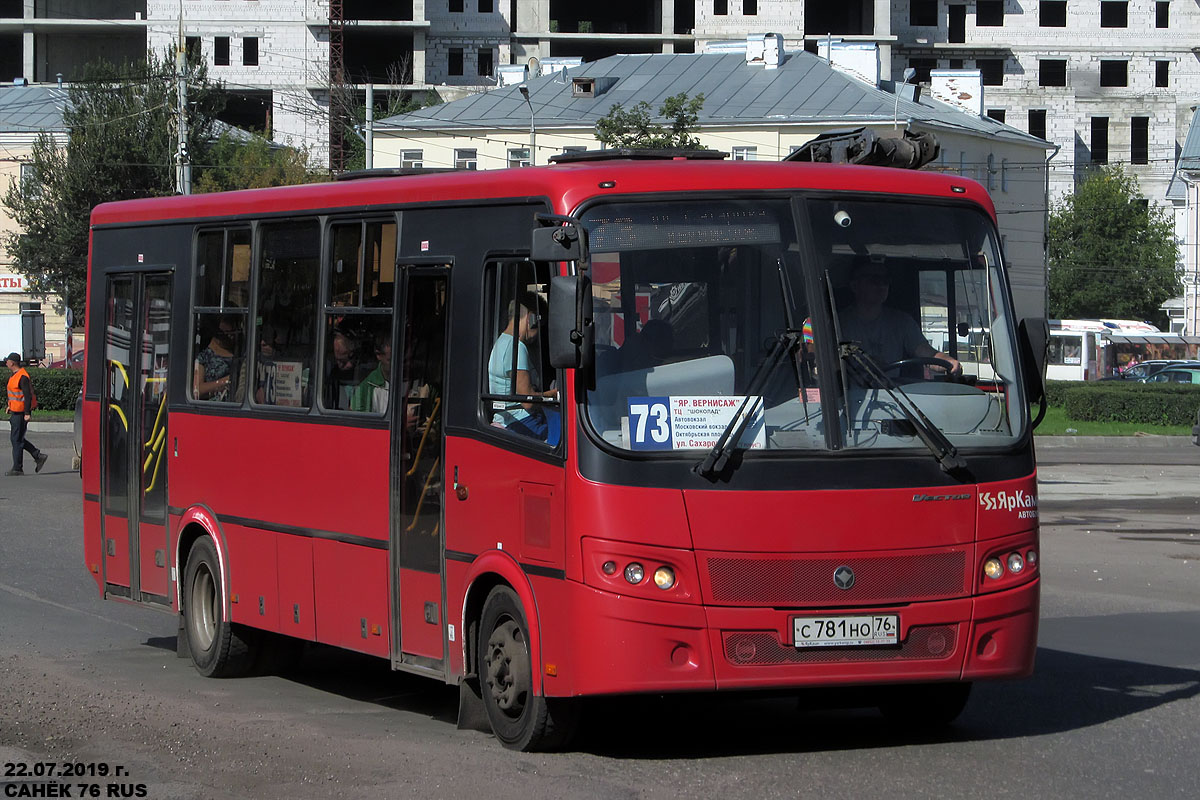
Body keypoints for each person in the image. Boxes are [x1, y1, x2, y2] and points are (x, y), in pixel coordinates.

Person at [838, 259, 961, 375]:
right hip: (851, 395)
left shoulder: (902, 322)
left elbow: (927, 353)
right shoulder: (838, 323)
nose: (881, 285)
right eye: (874, 280)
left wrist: (948, 362)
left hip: (893, 393)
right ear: (855, 286)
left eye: (885, 281)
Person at [488, 301, 559, 443]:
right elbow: (528, 401)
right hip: (522, 421)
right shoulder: (517, 347)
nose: (538, 333)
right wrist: (555, 394)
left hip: (506, 418)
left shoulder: (501, 342)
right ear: (531, 319)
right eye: (539, 325)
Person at [5, 352, 48, 476]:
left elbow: (27, 396)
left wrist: (27, 413)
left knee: (16, 440)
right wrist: (10, 406)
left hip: (21, 413)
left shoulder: (22, 377)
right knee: (18, 439)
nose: (6, 362)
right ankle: (38, 455)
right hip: (15, 411)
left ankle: (18, 468)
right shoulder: (14, 375)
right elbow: (16, 395)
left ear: (12, 363)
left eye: (7, 361)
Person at [193, 317, 240, 401]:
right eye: (227, 333)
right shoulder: (204, 357)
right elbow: (197, 390)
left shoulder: (239, 352)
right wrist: (224, 382)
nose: (231, 336)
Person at [350, 332, 391, 413]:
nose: (396, 365)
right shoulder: (367, 386)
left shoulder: (411, 380)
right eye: (390, 360)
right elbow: (354, 417)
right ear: (378, 355)